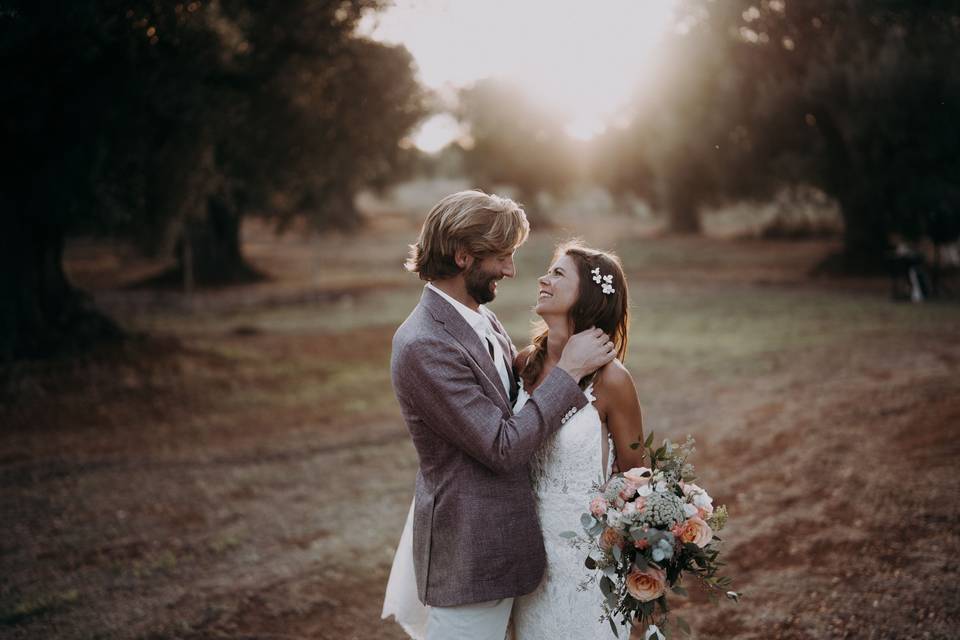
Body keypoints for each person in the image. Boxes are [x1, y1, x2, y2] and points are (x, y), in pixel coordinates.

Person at [383, 191, 616, 640]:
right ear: (463, 256)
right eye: (503, 257)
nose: (511, 270)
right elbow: (502, 446)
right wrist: (568, 372)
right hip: (472, 553)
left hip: (520, 545)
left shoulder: (481, 319)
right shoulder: (423, 344)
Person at [510, 240, 645, 639]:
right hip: (529, 562)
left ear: (585, 295)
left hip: (590, 564)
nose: (543, 279)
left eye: (557, 273)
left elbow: (639, 477)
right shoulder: (521, 366)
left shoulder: (612, 380)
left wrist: (645, 561)